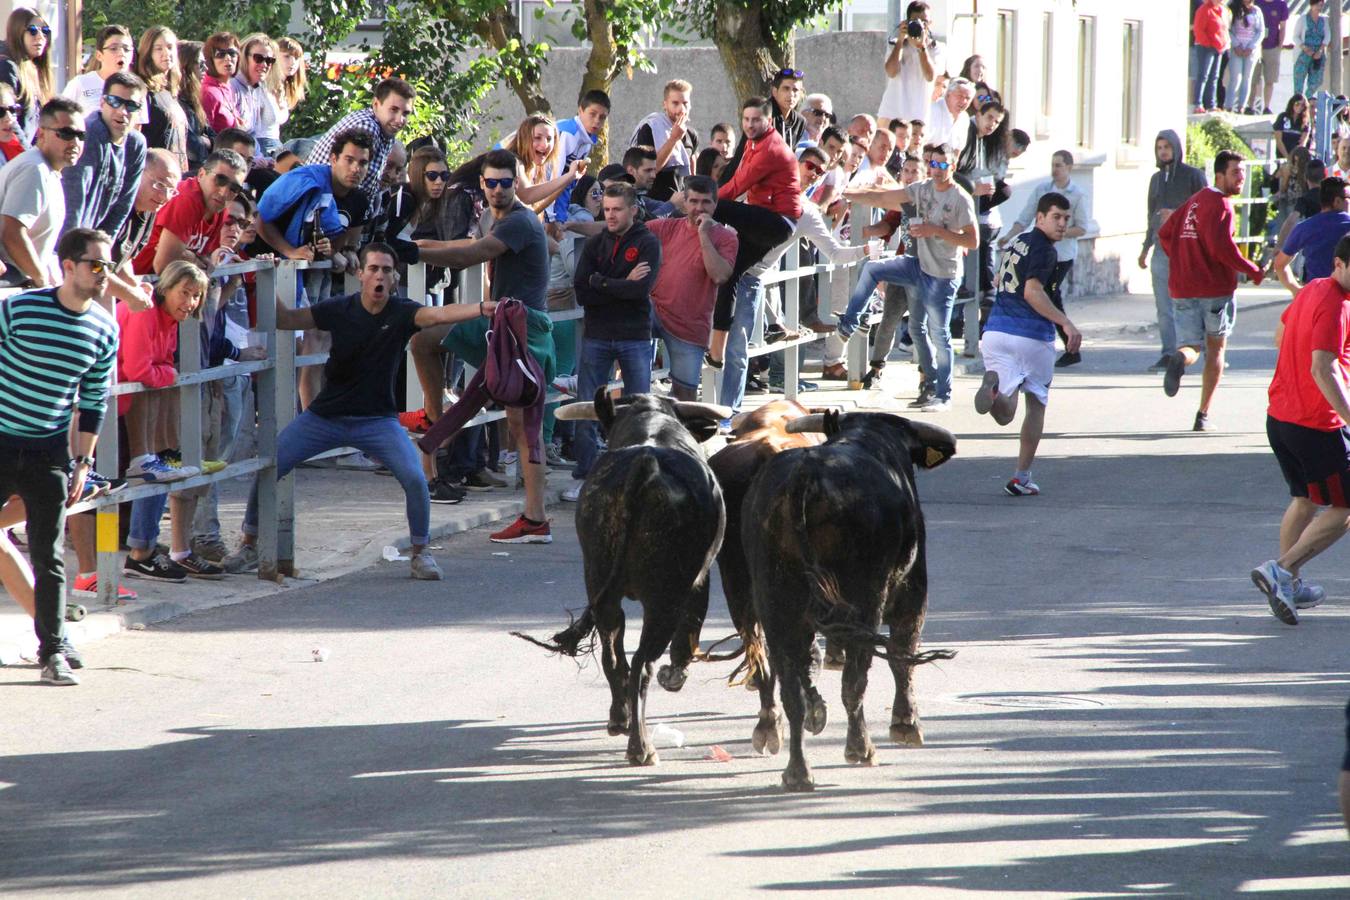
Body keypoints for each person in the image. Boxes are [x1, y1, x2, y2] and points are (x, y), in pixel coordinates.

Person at [221, 243, 495, 578]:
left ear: (395, 278)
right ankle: (249, 544)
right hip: (325, 417)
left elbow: (438, 315)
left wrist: (482, 307)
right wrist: (264, 274)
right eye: (374, 269)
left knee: (415, 478)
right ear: (360, 274)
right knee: (271, 464)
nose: (380, 276)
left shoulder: (402, 311)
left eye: (387, 270)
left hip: (377, 421)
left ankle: (421, 553)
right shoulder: (340, 308)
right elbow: (286, 319)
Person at [412, 149, 557, 544]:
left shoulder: (521, 221)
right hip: (500, 325)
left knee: (525, 428)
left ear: (517, 183)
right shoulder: (495, 217)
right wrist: (418, 244)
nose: (497, 189)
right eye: (490, 183)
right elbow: (462, 244)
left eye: (505, 183)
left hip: (525, 331)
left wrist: (414, 251)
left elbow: (472, 255)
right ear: (482, 184)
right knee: (423, 338)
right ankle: (432, 416)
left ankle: (535, 518)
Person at [0, 227, 120, 685]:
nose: (103, 274)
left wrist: (83, 462)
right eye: (95, 265)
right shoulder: (21, 309)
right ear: (67, 266)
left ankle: (53, 650)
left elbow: (93, 402)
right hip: (1, 436)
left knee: (49, 552)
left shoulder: (104, 329)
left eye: (108, 266)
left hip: (49, 448)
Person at [1250, 234, 1350, 625]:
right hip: (1315, 424)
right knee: (1344, 509)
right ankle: (1282, 570)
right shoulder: (1336, 306)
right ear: (1338, 265)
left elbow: (1281, 337)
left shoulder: (1311, 290)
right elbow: (1321, 368)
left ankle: (1288, 584)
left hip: (1281, 417)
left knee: (1305, 500)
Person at [838, 143, 978, 412]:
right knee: (872, 269)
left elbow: (972, 241)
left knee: (937, 334)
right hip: (915, 264)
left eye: (941, 164)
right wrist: (848, 193)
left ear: (953, 166)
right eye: (933, 164)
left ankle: (942, 394)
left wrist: (934, 230)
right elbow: (883, 199)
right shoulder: (920, 190)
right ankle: (849, 322)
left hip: (942, 274)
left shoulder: (960, 198)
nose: (936, 170)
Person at [974, 193, 1082, 496]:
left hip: (995, 333)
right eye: (1056, 217)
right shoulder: (1046, 251)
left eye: (1066, 219)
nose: (1061, 224)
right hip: (1031, 337)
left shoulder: (1017, 242)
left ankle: (993, 391)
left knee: (1005, 412)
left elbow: (999, 280)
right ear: (1040, 218)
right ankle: (1021, 477)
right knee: (1036, 404)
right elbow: (1033, 293)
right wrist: (1066, 323)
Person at [257, 128, 373, 409]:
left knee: (318, 342)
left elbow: (346, 240)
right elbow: (261, 220)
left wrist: (337, 250)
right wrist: (290, 251)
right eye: (349, 159)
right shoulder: (304, 181)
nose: (355, 168)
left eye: (363, 162)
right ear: (333, 158)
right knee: (274, 356)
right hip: (268, 272)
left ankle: (313, 420)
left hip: (314, 279)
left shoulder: (359, 199)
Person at [562, 182, 662, 501]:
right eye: (606, 209)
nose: (611, 215)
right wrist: (619, 282)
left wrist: (601, 283)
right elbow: (582, 290)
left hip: (634, 335)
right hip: (598, 333)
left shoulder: (648, 243)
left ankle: (634, 473)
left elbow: (639, 290)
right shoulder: (594, 244)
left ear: (633, 209)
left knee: (638, 407)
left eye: (617, 209)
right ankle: (585, 474)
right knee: (589, 404)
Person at [1157, 149, 1263, 431]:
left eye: (1243, 172)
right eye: (1235, 173)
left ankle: (1180, 359)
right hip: (1214, 291)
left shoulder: (1194, 200)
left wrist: (1182, 259)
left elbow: (1165, 233)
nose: (1241, 178)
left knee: (1190, 346)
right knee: (1216, 350)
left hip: (1182, 288)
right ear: (1220, 175)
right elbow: (1221, 248)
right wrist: (1251, 269)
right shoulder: (1221, 205)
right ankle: (1203, 414)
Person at [704, 96, 801, 377]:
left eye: (756, 120)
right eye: (746, 119)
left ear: (769, 121)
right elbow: (735, 180)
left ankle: (693, 235)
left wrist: (699, 203)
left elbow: (736, 187)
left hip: (778, 222)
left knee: (717, 207)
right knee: (727, 275)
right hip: (764, 219)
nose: (749, 125)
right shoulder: (752, 142)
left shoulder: (771, 148)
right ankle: (717, 352)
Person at [643, 174, 736, 403]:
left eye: (705, 202)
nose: (699, 208)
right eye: (693, 201)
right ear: (684, 203)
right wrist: (573, 227)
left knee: (686, 397)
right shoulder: (666, 227)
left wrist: (704, 234)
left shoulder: (726, 237)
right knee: (624, 328)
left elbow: (720, 275)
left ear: (715, 204)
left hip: (689, 326)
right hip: (656, 311)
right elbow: (624, 230)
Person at [1002, 150, 1091, 367]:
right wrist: (1009, 236)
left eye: (1059, 165)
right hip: (1039, 251)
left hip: (1061, 256)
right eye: (1052, 164)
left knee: (1047, 295)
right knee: (1046, 296)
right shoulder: (1042, 190)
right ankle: (1062, 341)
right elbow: (1026, 216)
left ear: (1069, 168)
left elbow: (1082, 227)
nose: (1055, 169)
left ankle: (1061, 342)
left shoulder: (1077, 194)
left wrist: (1058, 230)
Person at [1139, 130, 1208, 373]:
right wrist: (1145, 248)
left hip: (1188, 249)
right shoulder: (1156, 179)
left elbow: (1206, 210)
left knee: (1193, 301)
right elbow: (1152, 215)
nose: (1163, 151)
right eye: (1159, 147)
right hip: (1161, 250)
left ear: (1176, 148)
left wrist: (1177, 214)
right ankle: (1169, 353)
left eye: (1167, 146)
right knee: (1164, 305)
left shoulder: (1193, 176)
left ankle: (1206, 348)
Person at [0, 97, 84, 287]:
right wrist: (40, 279)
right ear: (41, 134)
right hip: (8, 281)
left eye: (81, 135)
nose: (75, 142)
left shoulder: (47, 170)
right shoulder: (34, 169)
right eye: (66, 133)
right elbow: (12, 233)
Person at [61, 71, 147, 241]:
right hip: (60, 241)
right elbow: (73, 201)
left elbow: (123, 205)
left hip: (90, 240)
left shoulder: (136, 144)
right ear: (102, 102)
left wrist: (102, 249)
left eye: (131, 106)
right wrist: (74, 255)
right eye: (115, 102)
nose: (122, 112)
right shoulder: (88, 134)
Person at [133, 147, 247, 274]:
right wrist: (191, 258)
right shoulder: (187, 198)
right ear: (201, 174)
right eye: (220, 180)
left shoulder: (220, 209)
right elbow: (164, 265)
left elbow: (205, 260)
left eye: (234, 188)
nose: (224, 192)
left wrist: (189, 256)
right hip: (136, 279)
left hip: (161, 284)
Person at [306, 77, 414, 209]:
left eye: (406, 113)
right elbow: (359, 186)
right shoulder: (367, 127)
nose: (399, 120)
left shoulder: (386, 131)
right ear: (376, 104)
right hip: (320, 201)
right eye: (394, 110)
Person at [107, 148, 179, 312]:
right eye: (160, 185)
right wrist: (130, 294)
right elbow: (95, 266)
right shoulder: (113, 205)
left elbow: (123, 259)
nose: (165, 196)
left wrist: (135, 285)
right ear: (138, 172)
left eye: (171, 190)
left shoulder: (149, 209)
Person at [1273, 177, 1350, 296]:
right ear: (1337, 201)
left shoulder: (1304, 227)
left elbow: (1279, 264)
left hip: (1317, 297)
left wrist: (1297, 290)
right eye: (1348, 198)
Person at [61, 24, 148, 129]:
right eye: (113, 48)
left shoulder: (136, 89)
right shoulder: (80, 83)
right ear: (99, 55)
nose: (121, 53)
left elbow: (136, 130)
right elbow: (60, 119)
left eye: (126, 49)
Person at [630, 79, 698, 201]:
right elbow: (650, 169)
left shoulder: (691, 134)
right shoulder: (650, 128)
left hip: (682, 200)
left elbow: (691, 173)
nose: (681, 109)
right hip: (653, 200)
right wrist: (673, 139)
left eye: (685, 103)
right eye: (675, 103)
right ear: (665, 104)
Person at [878, 1, 944, 129]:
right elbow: (891, 72)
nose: (920, 25)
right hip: (891, 114)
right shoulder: (896, 44)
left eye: (924, 22)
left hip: (918, 117)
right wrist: (901, 41)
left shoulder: (936, 48)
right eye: (915, 21)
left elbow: (930, 76)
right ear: (907, 22)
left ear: (930, 24)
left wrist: (922, 47)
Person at [135, 26, 189, 173]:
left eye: (170, 47)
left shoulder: (169, 91)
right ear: (147, 53)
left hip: (176, 175)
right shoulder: (142, 90)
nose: (166, 53)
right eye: (158, 48)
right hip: (152, 176)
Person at [551, 88, 610, 222]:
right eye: (592, 114)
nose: (597, 121)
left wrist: (561, 217)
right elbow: (554, 179)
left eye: (602, 117)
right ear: (580, 110)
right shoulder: (568, 134)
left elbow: (567, 183)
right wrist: (553, 219)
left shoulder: (587, 142)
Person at [0, 8, 54, 144]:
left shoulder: (33, 67)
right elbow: (8, 122)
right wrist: (28, 157)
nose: (41, 37)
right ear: (17, 31)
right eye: (33, 30)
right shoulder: (6, 66)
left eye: (45, 31)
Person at [231, 33, 277, 147]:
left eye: (269, 60)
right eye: (258, 58)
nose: (264, 65)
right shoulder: (232, 86)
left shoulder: (256, 89)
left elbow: (253, 134)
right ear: (243, 57)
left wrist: (260, 157)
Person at [176, 41, 212, 173]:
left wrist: (208, 141)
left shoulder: (193, 100)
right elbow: (193, 147)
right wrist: (206, 142)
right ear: (185, 66)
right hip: (189, 171)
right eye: (201, 64)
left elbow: (215, 137)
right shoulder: (176, 101)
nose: (206, 69)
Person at [1250, 1, 1290, 114]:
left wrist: (1280, 46)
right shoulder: (1256, 2)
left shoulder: (1281, 5)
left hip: (1272, 46)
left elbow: (1283, 27)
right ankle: (1250, 106)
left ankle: (1266, 107)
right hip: (1255, 46)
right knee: (1253, 79)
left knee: (1270, 79)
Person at [1226, 0, 1266, 113]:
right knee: (1236, 78)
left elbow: (1261, 31)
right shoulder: (1232, 8)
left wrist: (1251, 46)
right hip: (1236, 49)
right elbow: (1228, 29)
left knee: (1247, 78)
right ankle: (1228, 106)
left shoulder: (1257, 11)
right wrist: (1236, 44)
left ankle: (1241, 106)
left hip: (1251, 50)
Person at [1193, 0, 1231, 114]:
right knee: (1203, 75)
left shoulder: (1222, 10)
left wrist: (1223, 44)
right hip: (1206, 47)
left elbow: (1224, 29)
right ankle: (1198, 103)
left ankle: (1211, 104)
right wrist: (1209, 44)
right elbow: (1198, 30)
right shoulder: (1204, 10)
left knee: (1215, 77)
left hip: (1219, 48)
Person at [200, 32, 241, 134]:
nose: (228, 58)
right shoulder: (208, 92)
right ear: (210, 60)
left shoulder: (227, 87)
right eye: (220, 54)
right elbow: (204, 134)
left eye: (232, 53)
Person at [927, 78, 975, 155]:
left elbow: (957, 151)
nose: (963, 101)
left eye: (967, 98)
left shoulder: (964, 118)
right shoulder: (933, 109)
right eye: (960, 96)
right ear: (948, 94)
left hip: (946, 164)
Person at [1291, 0, 1329, 98]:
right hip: (1303, 54)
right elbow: (1296, 36)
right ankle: (1298, 101)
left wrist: (1320, 50)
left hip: (1318, 55)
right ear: (1311, 5)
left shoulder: (1324, 20)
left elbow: (1327, 36)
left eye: (1321, 5)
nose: (1319, 8)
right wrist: (1305, 48)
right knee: (1299, 81)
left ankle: (1308, 99)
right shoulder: (1303, 19)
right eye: (1317, 5)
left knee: (1316, 81)